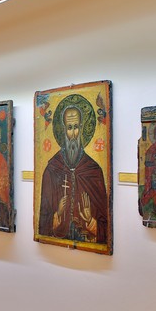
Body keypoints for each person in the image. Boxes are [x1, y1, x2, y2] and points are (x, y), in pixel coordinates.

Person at [39, 103, 107, 243]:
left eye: (76, 127)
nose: (73, 134)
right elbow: (43, 222)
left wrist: (90, 221)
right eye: (69, 128)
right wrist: (57, 214)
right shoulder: (52, 169)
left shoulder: (94, 170)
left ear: (81, 128)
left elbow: (105, 225)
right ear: (64, 129)